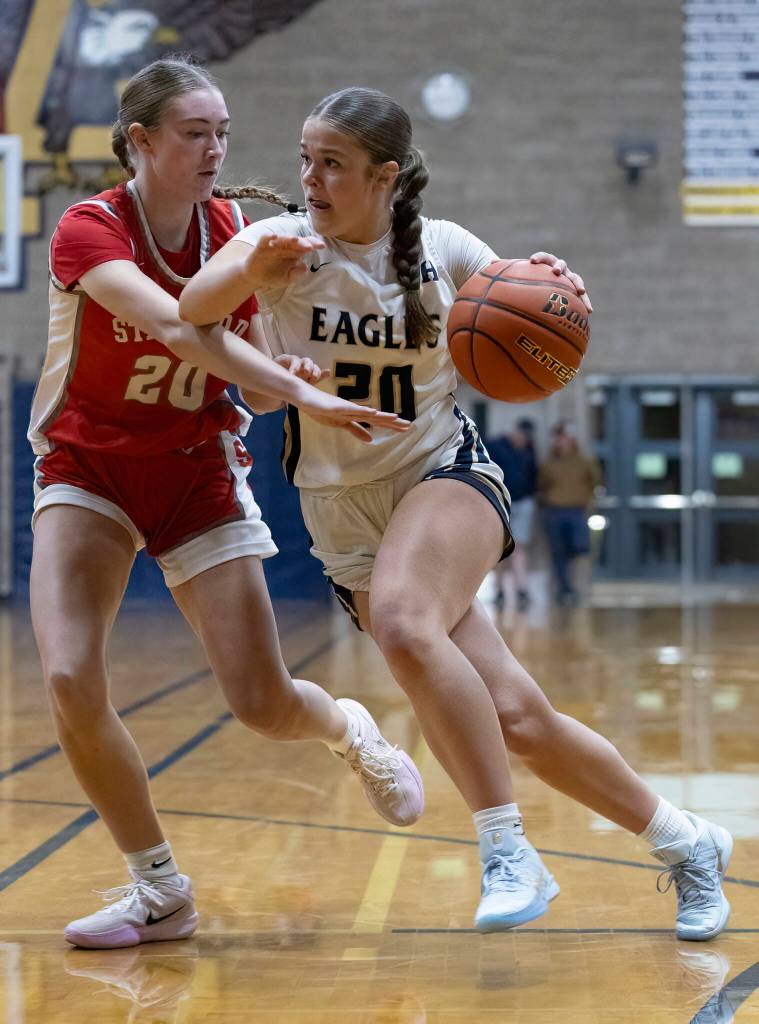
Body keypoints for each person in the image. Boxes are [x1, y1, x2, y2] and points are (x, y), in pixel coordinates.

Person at [179, 86, 732, 940]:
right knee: (516, 716)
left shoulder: (443, 250)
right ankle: (688, 842)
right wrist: (248, 271)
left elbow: (535, 311)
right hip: (340, 514)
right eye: (304, 159)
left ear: (384, 176)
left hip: (442, 475)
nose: (310, 177)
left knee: (403, 621)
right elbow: (195, 306)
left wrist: (557, 292)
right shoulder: (279, 243)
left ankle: (506, 849)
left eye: (331, 163)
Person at [28, 59, 426, 951]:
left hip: (195, 467)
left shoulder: (232, 232)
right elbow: (180, 326)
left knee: (258, 701)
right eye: (193, 134)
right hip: (89, 469)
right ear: (140, 140)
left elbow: (255, 372)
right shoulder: (88, 228)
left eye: (223, 135)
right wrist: (298, 391)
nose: (214, 150)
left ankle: (348, 729)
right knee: (66, 677)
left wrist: (294, 379)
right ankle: (159, 888)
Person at [538, 422, 601, 605]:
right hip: (554, 510)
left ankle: (573, 583)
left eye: (562, 437)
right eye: (557, 438)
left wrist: (587, 500)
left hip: (576, 510)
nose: (559, 442)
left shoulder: (584, 461)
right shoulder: (549, 462)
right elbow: (542, 483)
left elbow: (594, 481)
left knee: (579, 547)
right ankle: (565, 588)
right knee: (558, 552)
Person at [486, 418, 537, 610]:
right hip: (501, 503)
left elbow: (533, 476)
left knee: (519, 547)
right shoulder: (496, 446)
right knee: (501, 550)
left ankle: (521, 589)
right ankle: (499, 590)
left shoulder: (529, 450)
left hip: (523, 503)